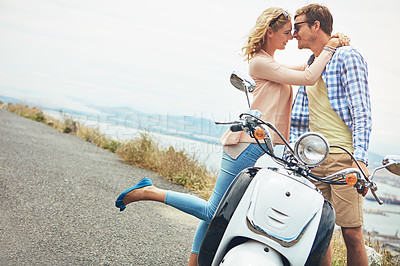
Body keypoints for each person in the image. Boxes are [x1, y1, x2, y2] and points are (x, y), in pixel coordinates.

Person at [115, 7, 345, 266]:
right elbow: (308, 77)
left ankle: (194, 262)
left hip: (262, 149)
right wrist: (331, 47)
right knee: (215, 210)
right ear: (269, 32)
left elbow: (307, 66)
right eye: (285, 32)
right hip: (246, 146)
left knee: (213, 213)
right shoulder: (260, 62)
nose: (291, 37)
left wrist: (329, 44)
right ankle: (149, 191)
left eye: (293, 32)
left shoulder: (272, 64)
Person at [289, 4, 371, 266]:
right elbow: (302, 119)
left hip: (342, 159)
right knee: (318, 231)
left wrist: (361, 161)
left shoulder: (348, 57)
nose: (293, 34)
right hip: (312, 159)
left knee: (351, 233)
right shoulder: (314, 62)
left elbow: (361, 111)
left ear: (316, 26)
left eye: (298, 26)